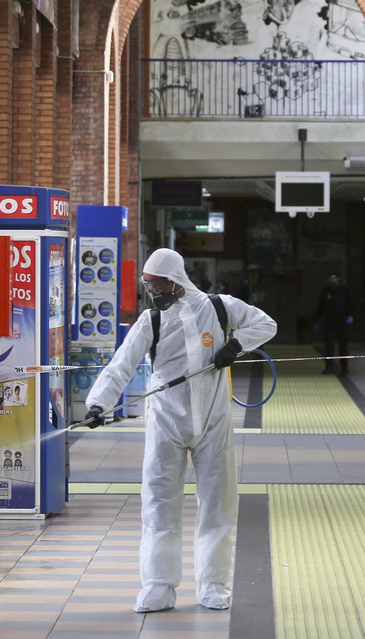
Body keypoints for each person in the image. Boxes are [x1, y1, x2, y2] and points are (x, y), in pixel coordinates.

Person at [84, 248, 277, 612]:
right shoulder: (151, 321)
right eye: (148, 285)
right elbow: (121, 365)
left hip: (214, 421)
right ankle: (158, 585)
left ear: (175, 282)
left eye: (157, 284)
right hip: (166, 423)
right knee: (159, 505)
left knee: (218, 505)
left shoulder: (220, 307)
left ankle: (214, 585)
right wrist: (99, 403)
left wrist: (235, 345)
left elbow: (266, 324)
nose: (153, 292)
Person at [314, 272, 352, 375]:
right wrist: (316, 320)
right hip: (329, 321)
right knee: (328, 346)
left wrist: (350, 316)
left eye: (334, 278)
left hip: (341, 320)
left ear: (339, 279)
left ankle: (344, 368)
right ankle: (328, 367)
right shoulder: (326, 291)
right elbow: (320, 307)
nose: (332, 280)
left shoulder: (344, 290)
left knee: (343, 345)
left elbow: (351, 304)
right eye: (330, 278)